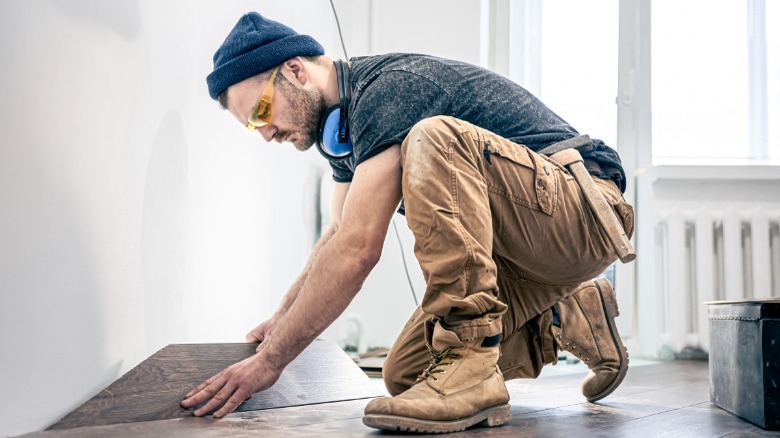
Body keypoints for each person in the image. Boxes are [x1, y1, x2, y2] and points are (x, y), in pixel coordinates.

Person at [181, 12, 635, 434]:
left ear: (296, 71)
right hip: (528, 253)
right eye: (250, 127)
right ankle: (569, 315)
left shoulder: (389, 89)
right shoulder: (343, 135)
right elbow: (338, 234)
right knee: (406, 374)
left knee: (434, 137)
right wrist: (280, 318)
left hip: (588, 211)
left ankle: (472, 364)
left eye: (261, 112)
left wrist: (270, 364)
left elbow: (359, 248)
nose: (265, 133)